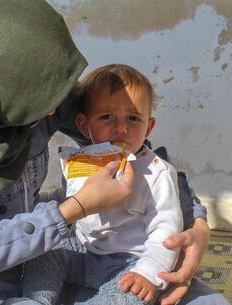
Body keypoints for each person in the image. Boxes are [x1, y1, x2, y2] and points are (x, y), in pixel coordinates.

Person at [0, 0, 228, 304]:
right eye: (37, 105)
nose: (54, 113)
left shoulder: (31, 86)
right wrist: (74, 209)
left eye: (55, 97)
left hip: (44, 262)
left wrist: (195, 224)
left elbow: (138, 155)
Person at [13, 64, 181, 305]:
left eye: (133, 118)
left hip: (126, 261)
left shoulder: (157, 172)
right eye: (107, 117)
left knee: (133, 294)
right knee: (45, 252)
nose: (122, 127)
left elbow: (166, 228)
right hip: (79, 250)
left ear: (148, 127)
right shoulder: (82, 161)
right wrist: (37, 208)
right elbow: (65, 197)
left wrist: (147, 271)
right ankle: (34, 299)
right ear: (84, 126)